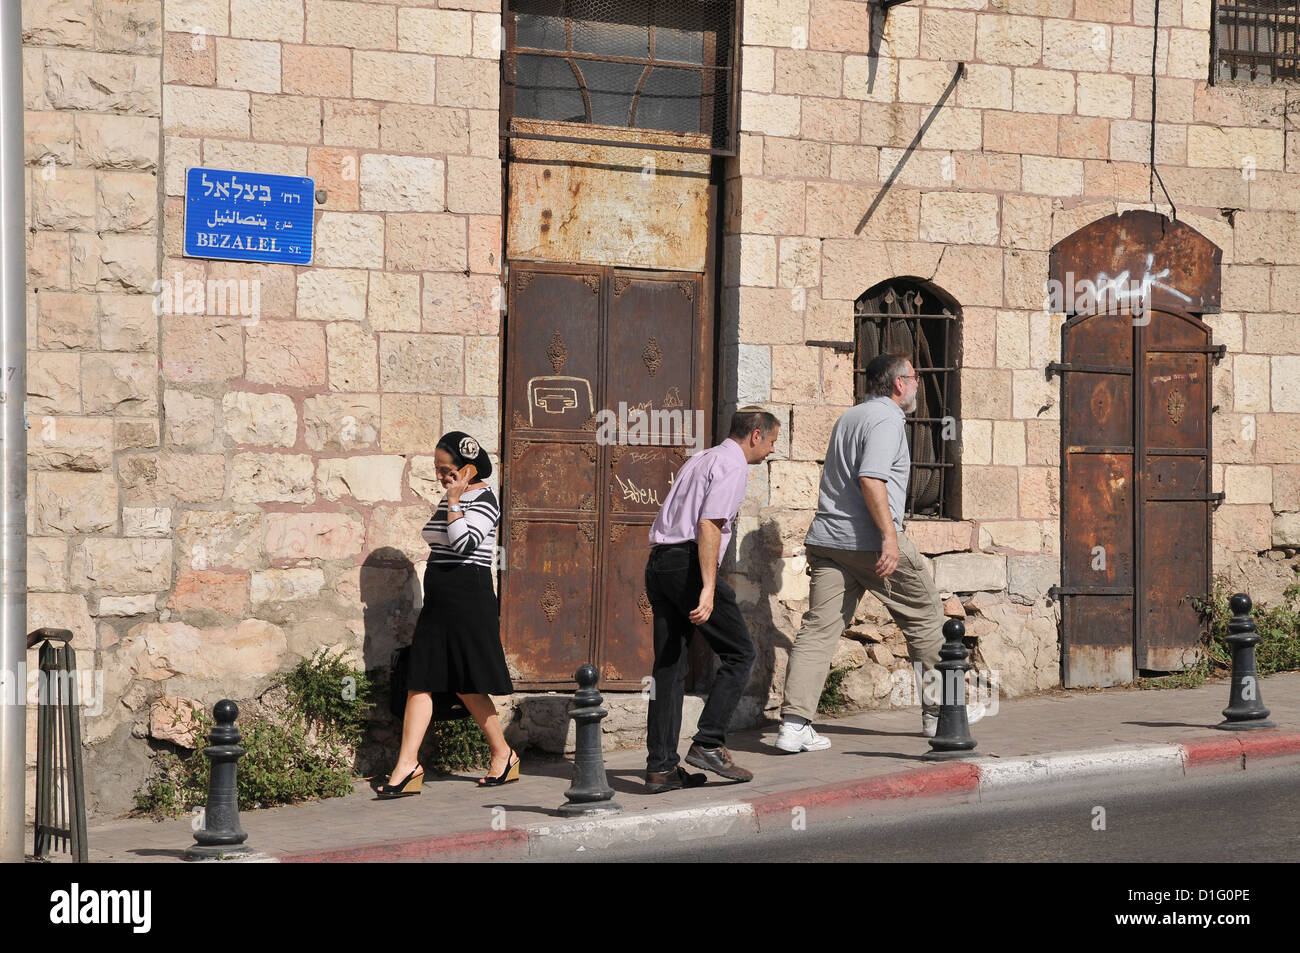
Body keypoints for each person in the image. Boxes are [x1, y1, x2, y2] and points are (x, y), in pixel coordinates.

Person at [774, 354, 983, 753]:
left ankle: (794, 725)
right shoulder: (888, 419)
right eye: (915, 378)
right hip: (872, 542)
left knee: (818, 630)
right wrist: (889, 537)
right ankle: (941, 713)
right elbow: (871, 479)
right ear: (899, 384)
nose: (919, 384)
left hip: (830, 540)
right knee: (928, 618)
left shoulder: (850, 417)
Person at [643, 408, 780, 793]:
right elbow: (709, 524)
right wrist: (707, 586)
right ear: (755, 435)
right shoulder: (733, 465)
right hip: (687, 565)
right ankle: (708, 743)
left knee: (669, 669)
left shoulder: (701, 457)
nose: (770, 451)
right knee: (740, 653)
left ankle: (661, 769)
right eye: (771, 442)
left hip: (660, 563)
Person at [377, 431, 518, 797]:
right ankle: (408, 765)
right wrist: (451, 499)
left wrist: (454, 500)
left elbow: (463, 542)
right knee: (420, 677)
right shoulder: (453, 497)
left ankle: (503, 753)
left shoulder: (485, 499)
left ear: (468, 469)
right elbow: (435, 535)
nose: (441, 477)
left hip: (467, 595)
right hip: (441, 596)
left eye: (447, 470)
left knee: (467, 681)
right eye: (439, 471)